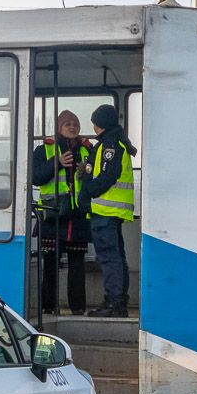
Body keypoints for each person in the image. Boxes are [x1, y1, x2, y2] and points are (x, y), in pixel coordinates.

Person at [78, 104, 137, 318]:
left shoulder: (109, 145)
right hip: (111, 213)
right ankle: (117, 301)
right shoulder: (115, 142)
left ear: (99, 124)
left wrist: (88, 190)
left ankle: (114, 303)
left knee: (109, 258)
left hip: (105, 211)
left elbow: (105, 177)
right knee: (117, 257)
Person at [32, 110, 92, 315]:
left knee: (77, 264)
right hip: (52, 213)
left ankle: (78, 308)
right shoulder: (44, 150)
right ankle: (48, 306)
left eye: (75, 123)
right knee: (49, 263)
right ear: (59, 127)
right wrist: (57, 163)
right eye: (67, 124)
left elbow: (95, 180)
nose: (73, 127)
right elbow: (35, 177)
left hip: (78, 215)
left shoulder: (87, 151)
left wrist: (86, 173)